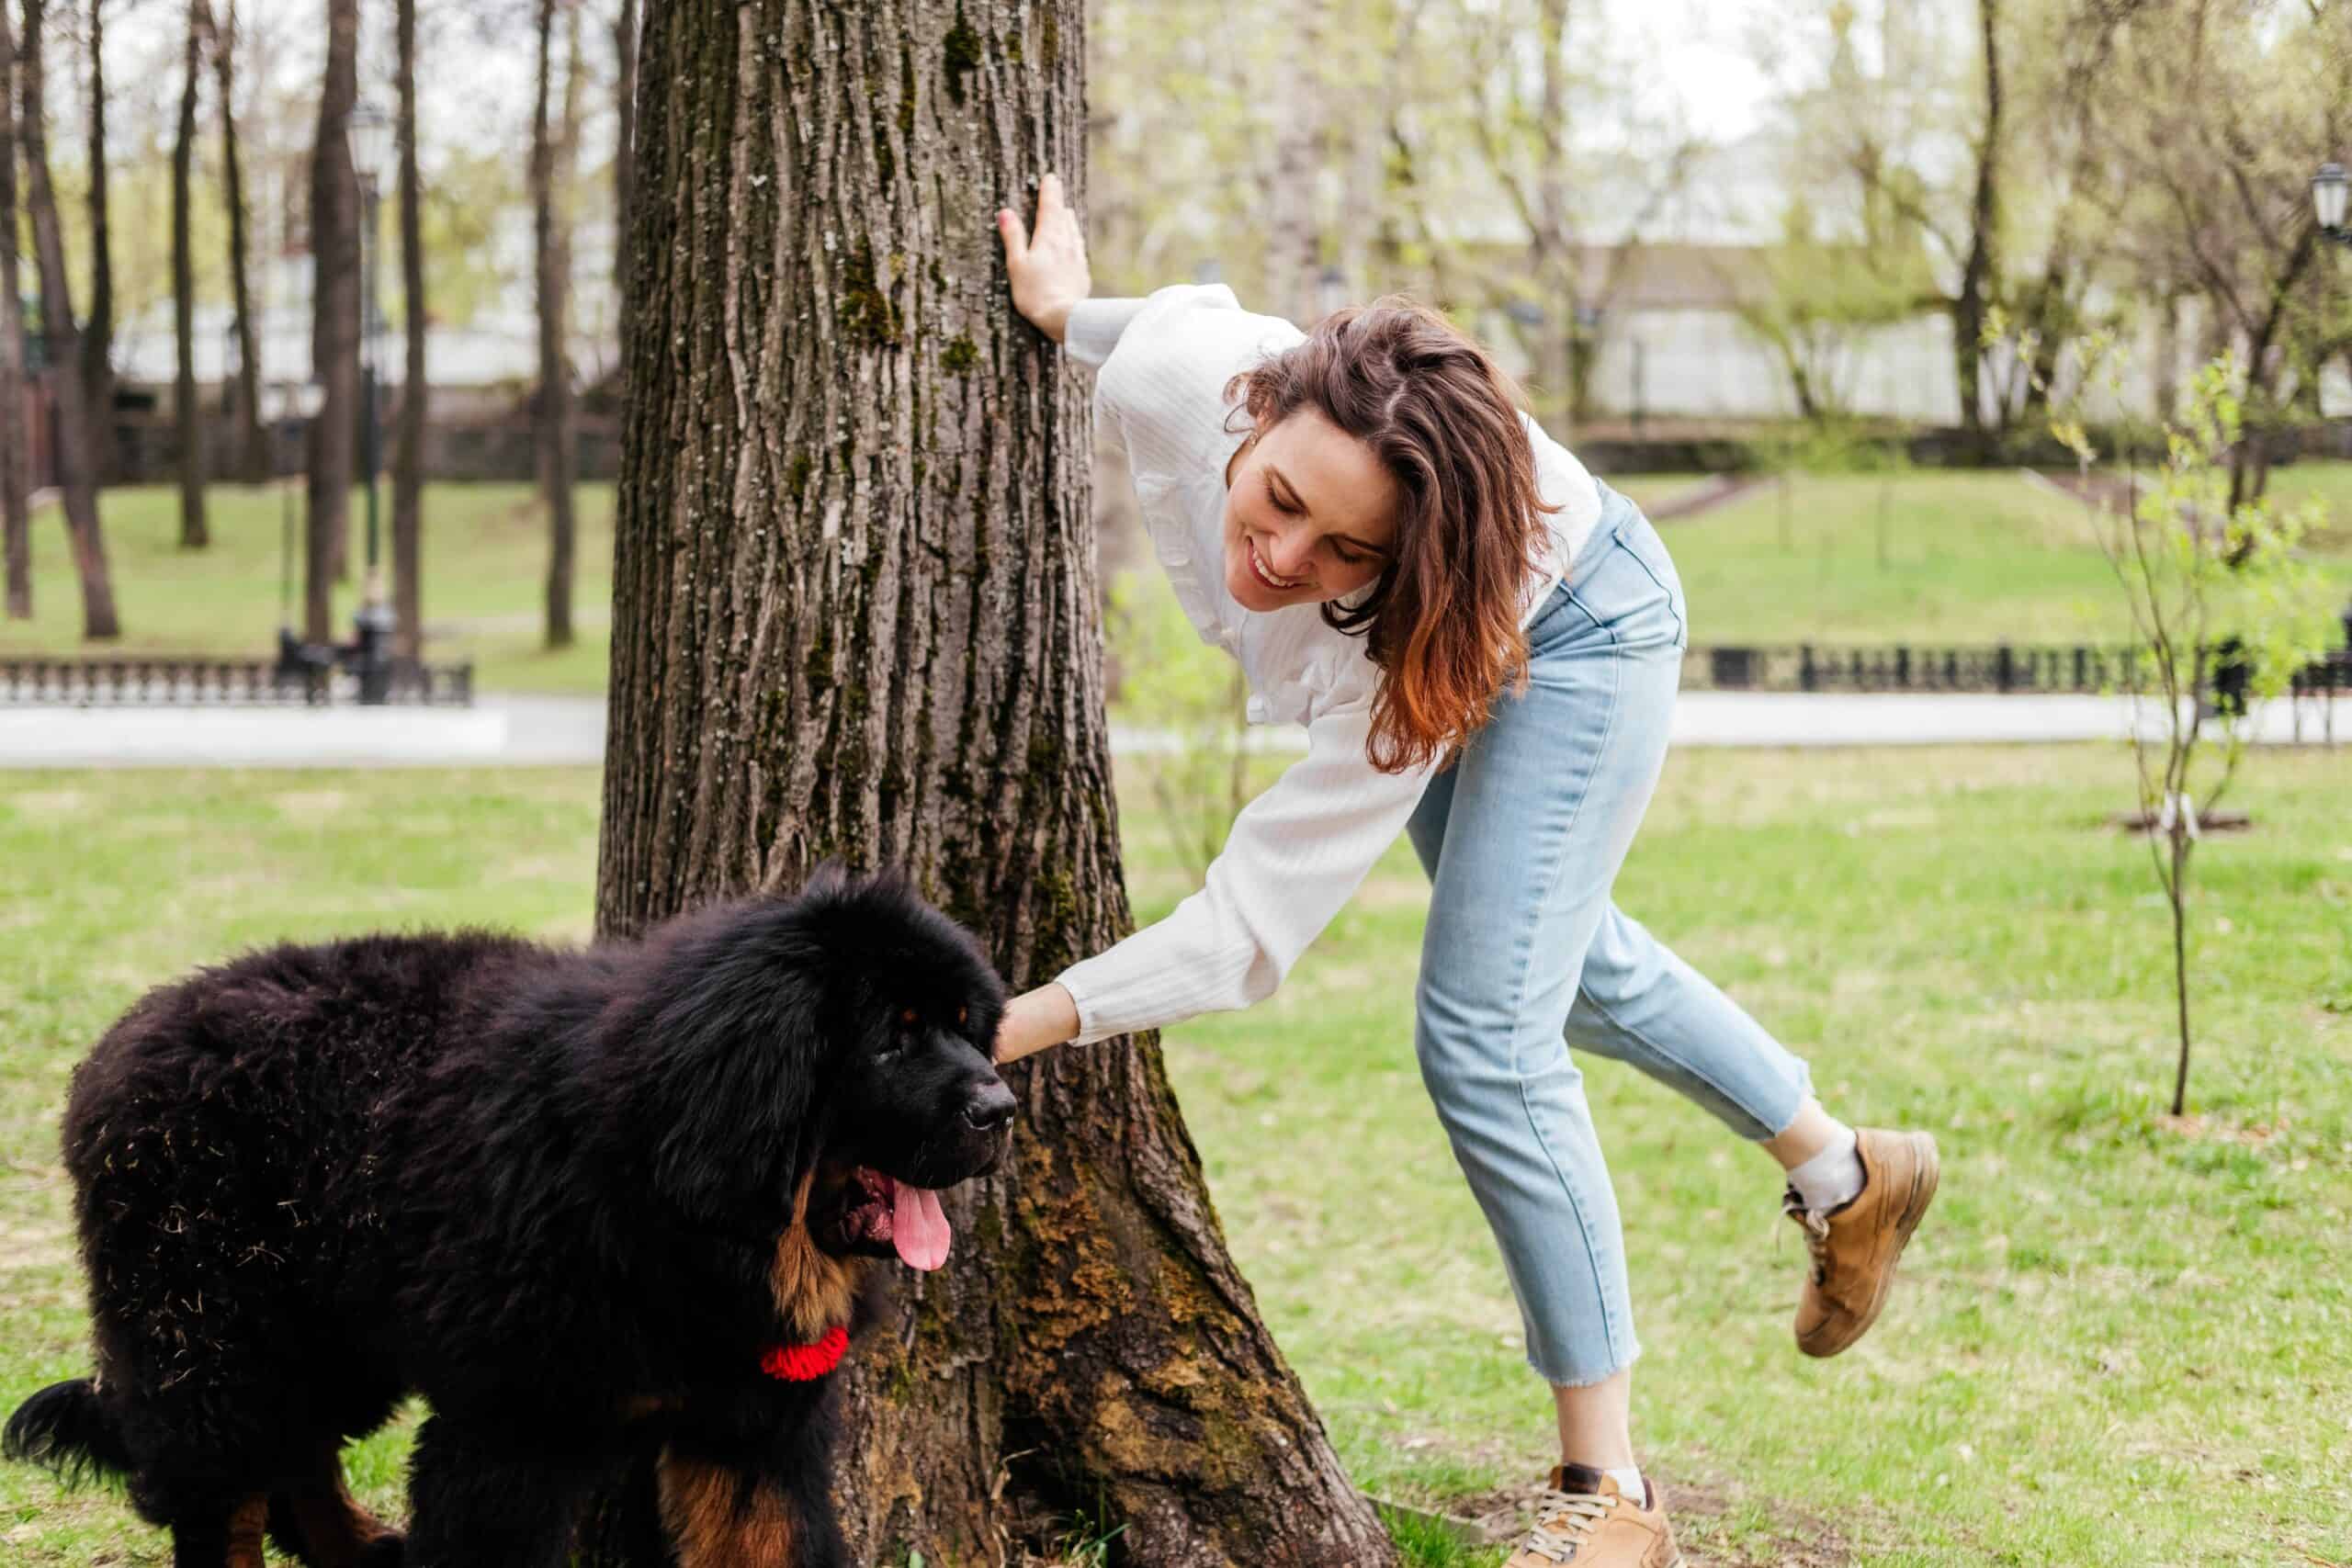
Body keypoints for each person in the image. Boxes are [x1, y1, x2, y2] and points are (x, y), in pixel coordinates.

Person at [989, 174, 1939, 1568]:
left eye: (1340, 551)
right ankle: (1850, 1174)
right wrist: (1068, 311)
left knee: (1487, 1027)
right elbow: (1149, 326)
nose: (1283, 557)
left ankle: (1609, 1495)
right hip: (1455, 591)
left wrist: (1019, 1021)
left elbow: (1251, 926)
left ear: (1395, 559)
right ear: (1255, 417)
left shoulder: (1392, 651)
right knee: (1561, 956)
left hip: (1583, 620)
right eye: (1280, 501)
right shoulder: (1204, 374)